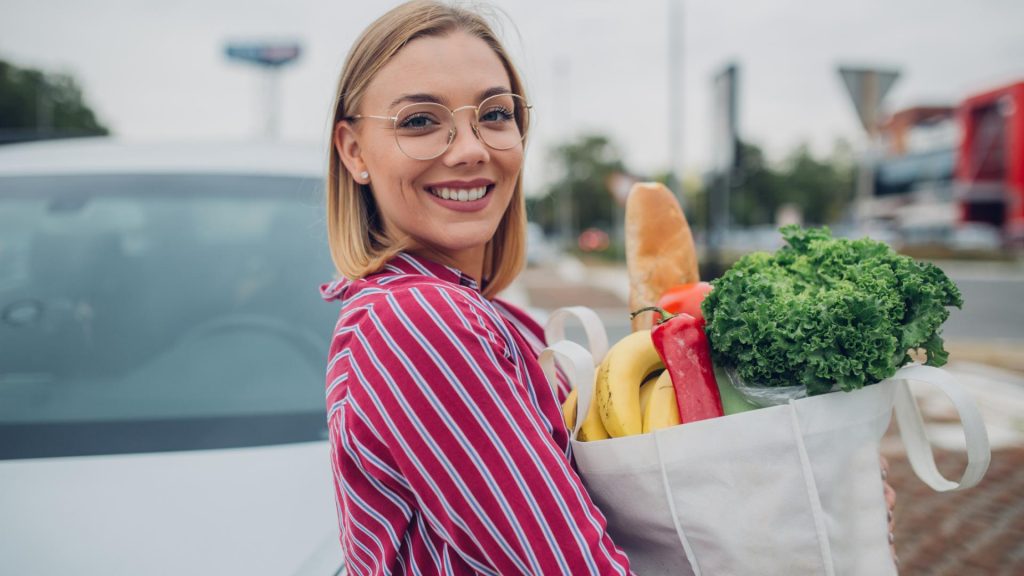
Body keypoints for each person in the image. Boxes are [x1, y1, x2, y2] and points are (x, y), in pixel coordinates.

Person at [320, 2, 896, 574]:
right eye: (420, 121)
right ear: (353, 151)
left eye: (494, 114)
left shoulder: (499, 320)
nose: (471, 147)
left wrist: (805, 502)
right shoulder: (416, 321)